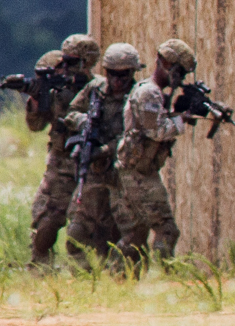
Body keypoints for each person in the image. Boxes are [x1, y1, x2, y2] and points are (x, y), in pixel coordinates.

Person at [112, 38, 195, 264]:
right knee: (166, 229)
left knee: (135, 235)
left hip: (136, 172)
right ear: (164, 64)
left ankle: (118, 276)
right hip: (139, 175)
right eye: (178, 71)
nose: (179, 78)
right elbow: (156, 131)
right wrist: (182, 119)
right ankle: (165, 276)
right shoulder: (150, 92)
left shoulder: (153, 92)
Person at [61, 42, 139, 268]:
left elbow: (135, 135)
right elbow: (71, 113)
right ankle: (86, 281)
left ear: (132, 73)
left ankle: (121, 281)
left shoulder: (138, 96)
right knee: (76, 231)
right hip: (95, 174)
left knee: (127, 235)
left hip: (123, 175)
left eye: (123, 75)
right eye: (113, 74)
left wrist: (104, 150)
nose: (117, 81)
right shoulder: (94, 90)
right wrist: (83, 122)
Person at [25, 34, 99, 266]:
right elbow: (35, 126)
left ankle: (89, 274)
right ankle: (40, 269)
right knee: (46, 221)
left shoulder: (100, 89)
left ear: (85, 62)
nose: (64, 66)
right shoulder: (56, 88)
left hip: (93, 163)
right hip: (60, 163)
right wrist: (37, 100)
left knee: (86, 226)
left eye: (71, 61)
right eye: (63, 61)